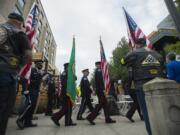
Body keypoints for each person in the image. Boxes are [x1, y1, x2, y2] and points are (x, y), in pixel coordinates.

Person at [121, 38, 164, 135]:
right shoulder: (157, 54)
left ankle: (152, 132)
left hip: (142, 85)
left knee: (147, 113)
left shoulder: (135, 53)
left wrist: (132, 53)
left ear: (137, 44)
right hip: (158, 84)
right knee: (160, 111)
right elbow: (162, 66)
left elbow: (122, 61)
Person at [0, 13, 32, 135]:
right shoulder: (19, 33)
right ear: (19, 23)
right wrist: (18, 67)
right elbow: (28, 56)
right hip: (6, 74)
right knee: (3, 108)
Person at [16, 60, 47, 129]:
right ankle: (20, 119)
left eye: (41, 64)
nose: (41, 65)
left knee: (33, 106)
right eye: (39, 64)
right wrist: (25, 89)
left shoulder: (40, 72)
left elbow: (42, 79)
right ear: (36, 64)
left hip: (36, 91)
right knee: (29, 106)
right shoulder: (32, 70)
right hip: (30, 90)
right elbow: (25, 79)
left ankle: (28, 122)